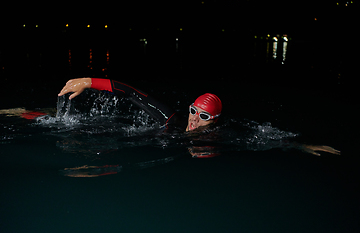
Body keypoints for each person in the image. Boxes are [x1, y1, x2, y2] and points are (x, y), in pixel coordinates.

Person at [58, 77, 340, 156]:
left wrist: (302, 145)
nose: (193, 119)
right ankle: (32, 114)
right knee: (89, 126)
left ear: (214, 120)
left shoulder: (224, 136)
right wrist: (91, 81)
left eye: (202, 116)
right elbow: (135, 95)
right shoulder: (173, 120)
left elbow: (266, 139)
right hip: (142, 135)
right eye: (193, 110)